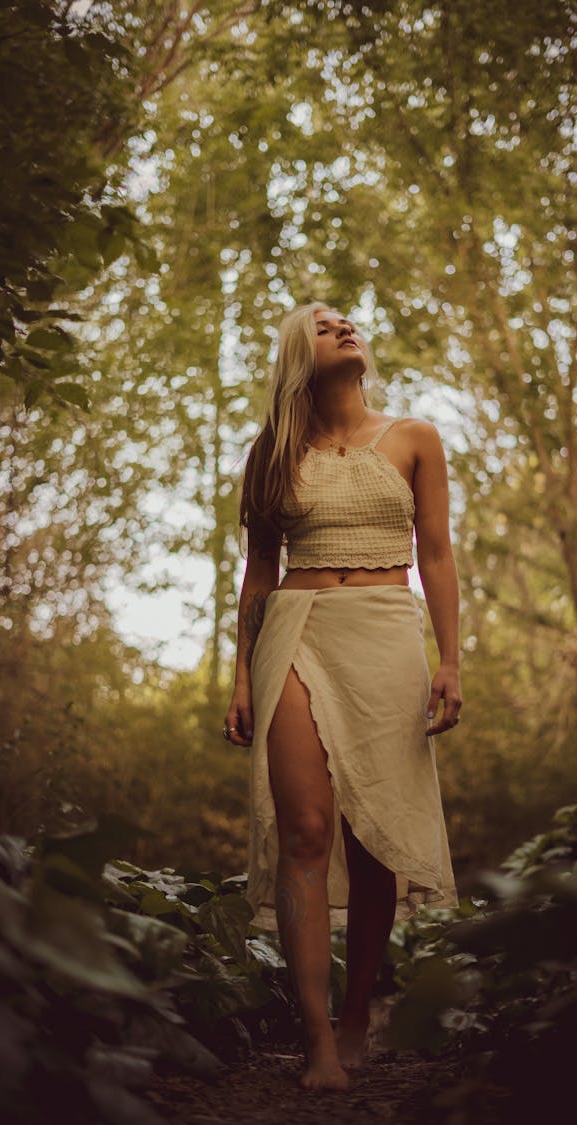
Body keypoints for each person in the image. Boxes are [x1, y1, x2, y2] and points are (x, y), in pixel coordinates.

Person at [224, 300, 462, 1091]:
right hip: (296, 627)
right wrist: (238, 674)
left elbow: (436, 553)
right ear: (299, 353)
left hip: (388, 630)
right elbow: (259, 571)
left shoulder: (415, 438)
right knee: (306, 829)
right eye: (325, 326)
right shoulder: (271, 452)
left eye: (349, 321)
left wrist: (452, 660)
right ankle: (319, 1039)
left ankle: (360, 1011)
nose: (346, 327)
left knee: (370, 840)